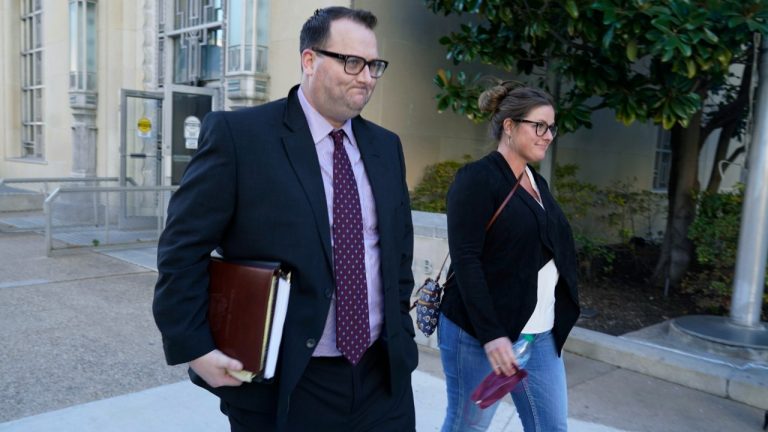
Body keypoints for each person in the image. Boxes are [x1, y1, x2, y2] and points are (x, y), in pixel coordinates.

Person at [152, 7, 417, 432]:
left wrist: (400, 330)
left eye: (374, 65)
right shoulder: (240, 137)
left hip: (381, 380)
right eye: (352, 62)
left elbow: (397, 250)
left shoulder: (386, 147)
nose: (366, 76)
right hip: (287, 384)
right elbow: (182, 249)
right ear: (309, 60)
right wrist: (195, 346)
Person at [437, 82, 580, 432]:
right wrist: (491, 334)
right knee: (466, 428)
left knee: (552, 427)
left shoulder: (535, 180)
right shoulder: (476, 179)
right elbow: (466, 259)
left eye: (551, 128)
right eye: (539, 126)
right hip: (482, 336)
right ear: (510, 126)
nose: (548, 136)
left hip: (539, 335)